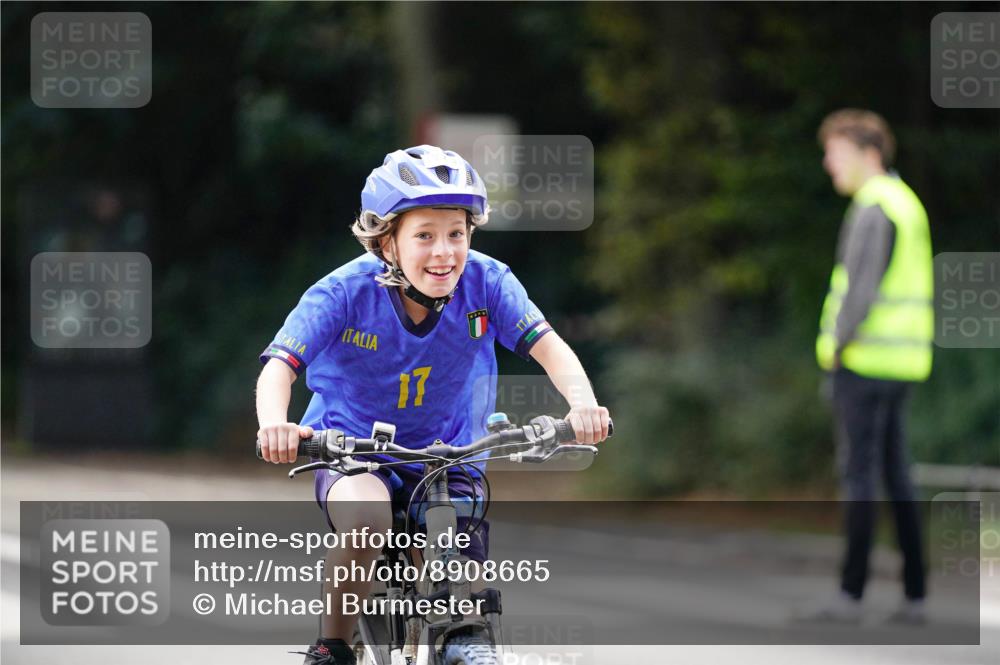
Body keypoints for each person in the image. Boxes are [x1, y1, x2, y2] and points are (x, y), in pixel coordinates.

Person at [256, 145, 611, 664]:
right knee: (367, 519)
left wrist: (584, 405)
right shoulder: (341, 293)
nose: (444, 252)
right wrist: (275, 425)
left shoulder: (488, 282)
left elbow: (550, 347)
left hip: (449, 453)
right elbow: (279, 368)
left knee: (457, 539)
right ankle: (332, 645)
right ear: (386, 242)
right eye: (424, 235)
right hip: (354, 451)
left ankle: (466, 636)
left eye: (456, 234)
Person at [806, 109, 934, 624]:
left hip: (864, 363)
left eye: (836, 153)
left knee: (859, 477)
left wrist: (837, 348)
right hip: (903, 362)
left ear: (869, 153)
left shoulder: (875, 206)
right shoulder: (906, 203)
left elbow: (859, 291)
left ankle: (851, 593)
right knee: (897, 477)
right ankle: (916, 593)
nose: (829, 163)